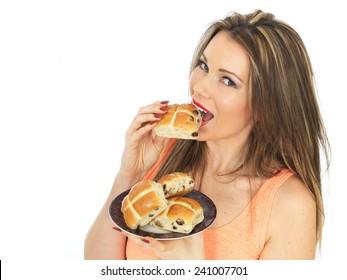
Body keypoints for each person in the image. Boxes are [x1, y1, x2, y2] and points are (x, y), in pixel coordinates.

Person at [84, 9, 330, 260]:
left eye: (228, 81)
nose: (199, 87)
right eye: (203, 65)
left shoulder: (289, 205)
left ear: (265, 108)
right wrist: (129, 173)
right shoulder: (161, 153)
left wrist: (193, 268)